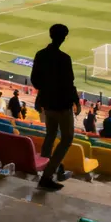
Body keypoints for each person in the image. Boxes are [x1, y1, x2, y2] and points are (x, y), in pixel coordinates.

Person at [31, 23, 81, 191]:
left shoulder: (40, 55)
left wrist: (46, 90)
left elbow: (35, 81)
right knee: (66, 138)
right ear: (63, 38)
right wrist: (76, 101)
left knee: (51, 134)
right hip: (61, 106)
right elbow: (69, 84)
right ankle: (47, 175)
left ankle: (45, 166)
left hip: (47, 104)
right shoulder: (64, 58)